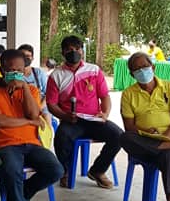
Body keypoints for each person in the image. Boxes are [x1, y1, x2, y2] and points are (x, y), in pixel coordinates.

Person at [0, 49, 64, 201]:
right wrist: (29, 122)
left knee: (56, 170)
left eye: (19, 70)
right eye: (11, 70)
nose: (16, 74)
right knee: (12, 170)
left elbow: (33, 114)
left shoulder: (31, 90)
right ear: (2, 70)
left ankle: (20, 196)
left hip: (32, 144)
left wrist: (24, 87)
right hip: (5, 146)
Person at [119, 51, 170, 201]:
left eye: (145, 66)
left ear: (153, 67)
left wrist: (165, 138)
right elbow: (129, 126)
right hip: (145, 140)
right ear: (132, 74)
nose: (142, 71)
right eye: (137, 69)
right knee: (124, 137)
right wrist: (145, 132)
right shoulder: (128, 94)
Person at [46, 35, 123, 189]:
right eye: (69, 50)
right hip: (71, 121)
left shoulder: (94, 70)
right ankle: (65, 172)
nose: (74, 52)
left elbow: (104, 96)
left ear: (82, 51)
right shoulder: (56, 75)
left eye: (77, 49)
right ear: (63, 53)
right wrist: (65, 116)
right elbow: (51, 104)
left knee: (119, 136)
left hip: (94, 120)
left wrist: (105, 114)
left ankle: (97, 171)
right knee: (61, 137)